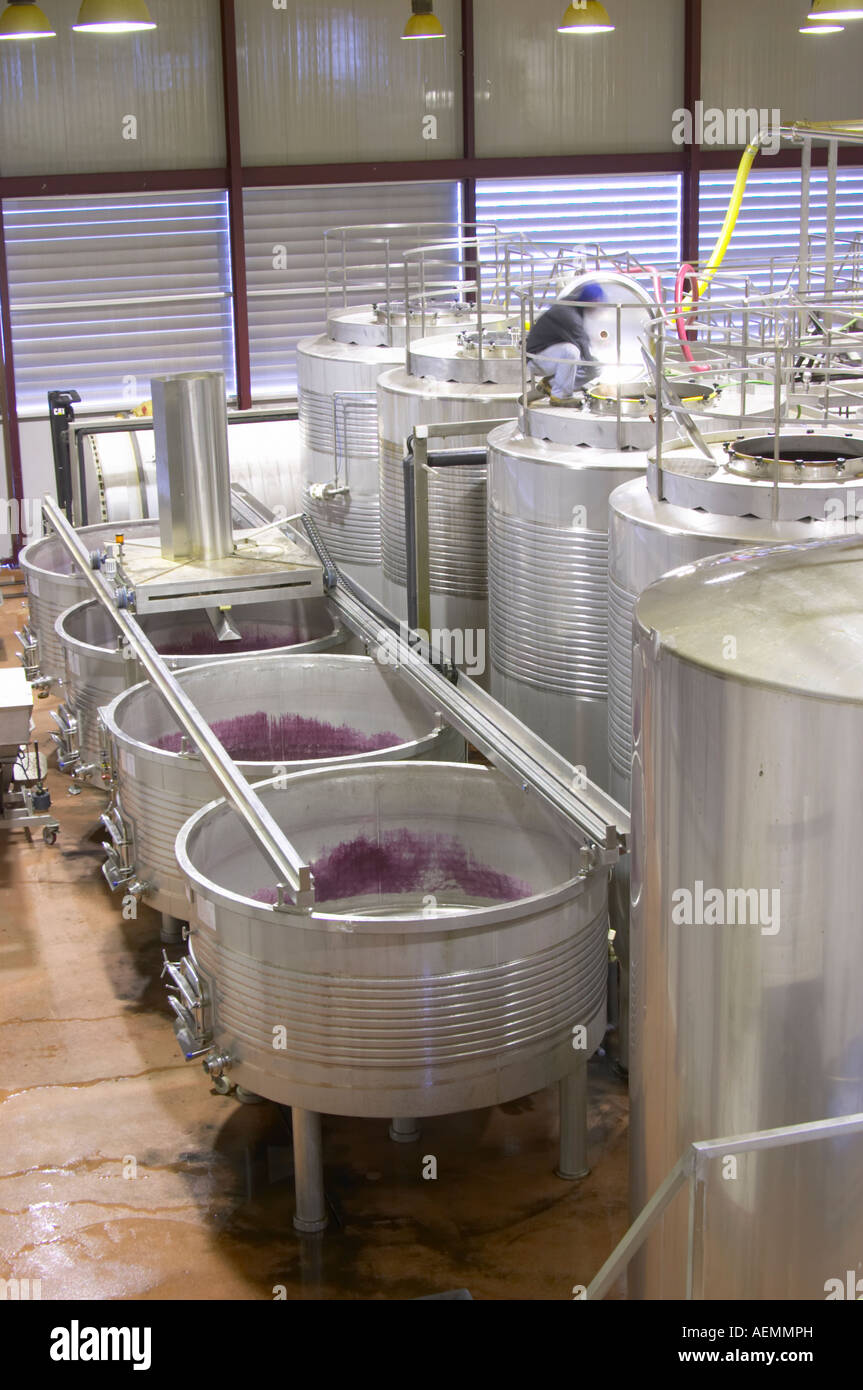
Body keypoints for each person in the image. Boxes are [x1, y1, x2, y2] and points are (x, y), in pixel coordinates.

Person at [526, 280, 606, 401]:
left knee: (593, 366)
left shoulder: (574, 305)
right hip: (536, 358)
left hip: (551, 352)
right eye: (597, 303)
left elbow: (579, 336)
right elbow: (580, 340)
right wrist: (592, 365)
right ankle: (561, 396)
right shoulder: (569, 314)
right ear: (592, 301)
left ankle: (551, 384)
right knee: (572, 352)